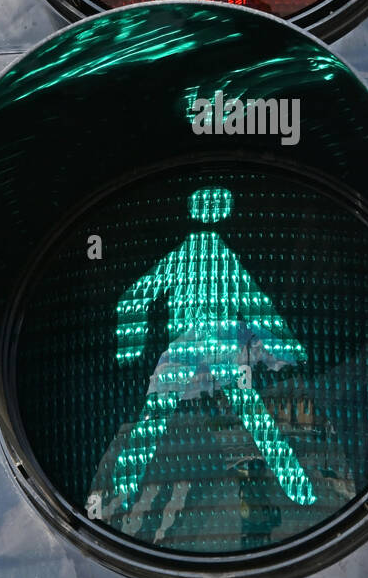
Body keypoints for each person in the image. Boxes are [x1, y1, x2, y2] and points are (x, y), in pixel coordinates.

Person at [89, 185, 316, 517]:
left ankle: (120, 493)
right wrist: (285, 346)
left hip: (196, 346)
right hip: (214, 346)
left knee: (154, 418)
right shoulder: (218, 258)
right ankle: (295, 483)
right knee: (250, 413)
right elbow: (257, 306)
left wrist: (130, 349)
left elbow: (135, 297)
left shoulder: (193, 256)